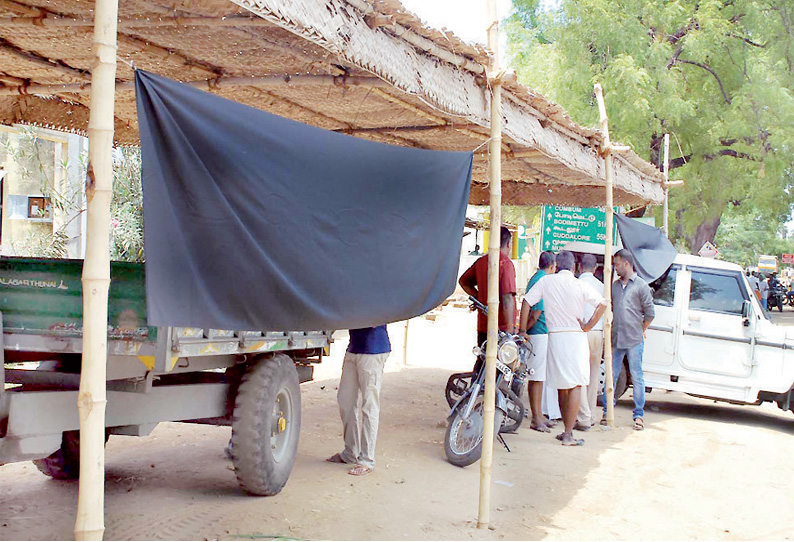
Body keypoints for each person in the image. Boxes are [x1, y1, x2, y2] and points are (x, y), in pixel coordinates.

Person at [523, 251, 607, 446]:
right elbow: (602, 304)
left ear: (556, 266)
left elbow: (527, 301)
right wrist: (588, 325)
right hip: (576, 337)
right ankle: (568, 434)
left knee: (562, 385)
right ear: (574, 268)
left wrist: (521, 328)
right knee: (576, 384)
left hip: (555, 337)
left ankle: (566, 431)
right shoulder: (579, 284)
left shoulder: (546, 282)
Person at [327, 325, 390, 476]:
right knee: (345, 401)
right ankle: (350, 453)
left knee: (369, 405)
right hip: (355, 347)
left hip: (373, 349)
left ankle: (366, 459)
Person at [604, 249, 654, 431]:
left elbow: (650, 313)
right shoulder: (615, 286)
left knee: (637, 376)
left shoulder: (641, 286)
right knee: (612, 375)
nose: (615, 268)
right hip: (617, 337)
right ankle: (607, 411)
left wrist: (642, 330)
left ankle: (639, 415)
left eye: (617, 264)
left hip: (634, 340)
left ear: (626, 263)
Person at [459, 226, 517, 352]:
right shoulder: (505, 264)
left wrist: (478, 297)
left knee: (482, 361)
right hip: (501, 328)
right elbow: (507, 298)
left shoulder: (481, 262)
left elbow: (463, 282)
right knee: (501, 367)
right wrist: (510, 327)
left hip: (483, 326)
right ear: (508, 244)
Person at [518, 251, 556, 432]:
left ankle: (539, 414)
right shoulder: (543, 280)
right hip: (538, 332)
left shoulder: (537, 277)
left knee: (539, 376)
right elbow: (535, 311)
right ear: (552, 266)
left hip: (539, 332)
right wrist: (524, 329)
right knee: (536, 376)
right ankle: (536, 417)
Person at [575, 254, 604, 430]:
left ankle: (583, 415)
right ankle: (591, 414)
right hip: (597, 333)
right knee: (593, 375)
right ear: (595, 269)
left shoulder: (576, 285)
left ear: (579, 267)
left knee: (580, 375)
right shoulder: (601, 286)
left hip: (582, 333)